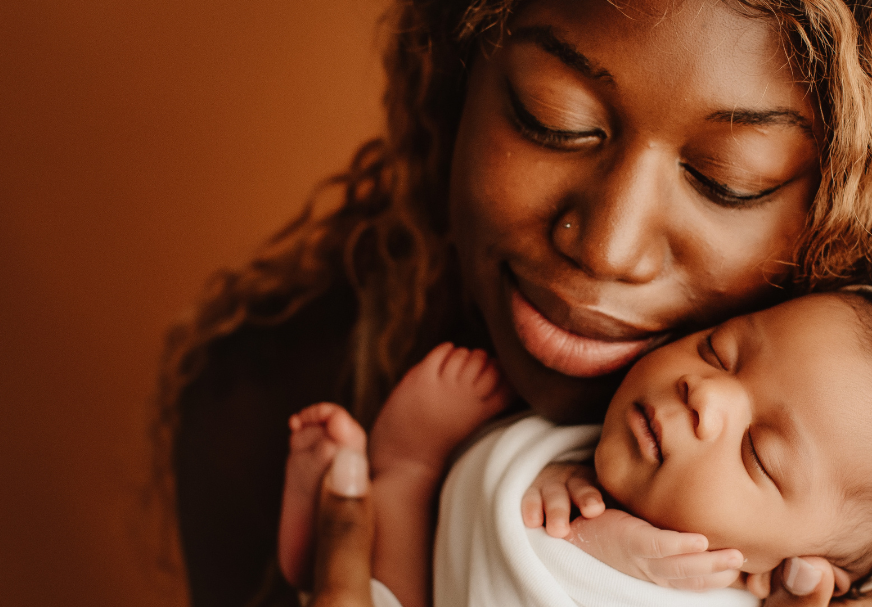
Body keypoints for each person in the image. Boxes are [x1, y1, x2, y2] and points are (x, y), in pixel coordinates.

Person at [155, 0, 872, 605]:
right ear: (458, 79)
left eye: (728, 180)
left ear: (849, 206)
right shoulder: (256, 405)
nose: (607, 248)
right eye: (553, 117)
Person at [277, 291, 872, 607]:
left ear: (806, 568)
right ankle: (405, 474)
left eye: (758, 453)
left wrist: (597, 546)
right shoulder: (596, 437)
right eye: (718, 350)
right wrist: (570, 491)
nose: (706, 394)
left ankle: (388, 487)